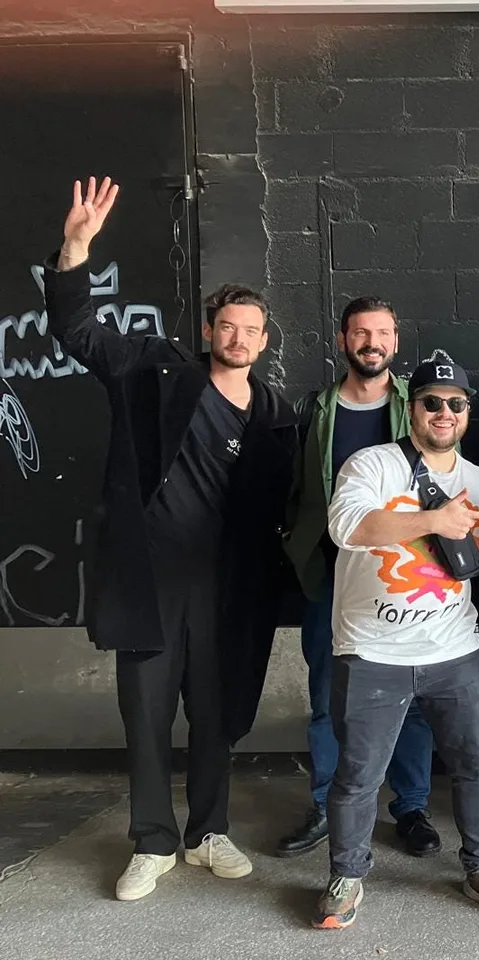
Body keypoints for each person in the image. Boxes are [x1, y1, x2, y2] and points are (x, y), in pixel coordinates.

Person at [43, 177, 297, 901]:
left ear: (264, 341)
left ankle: (209, 831)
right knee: (146, 717)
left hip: (229, 593)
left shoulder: (278, 415)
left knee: (216, 716)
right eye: (228, 326)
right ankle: (153, 841)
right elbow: (78, 333)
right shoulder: (153, 373)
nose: (238, 338)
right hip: (150, 585)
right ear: (210, 331)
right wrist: (76, 248)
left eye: (251, 330)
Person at [314, 353, 479, 929]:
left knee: (477, 766)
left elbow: (470, 563)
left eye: (455, 403)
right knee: (358, 776)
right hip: (371, 651)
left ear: (467, 411)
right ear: (412, 409)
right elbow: (347, 528)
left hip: (454, 650)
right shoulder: (372, 464)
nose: (444, 412)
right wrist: (432, 520)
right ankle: (346, 875)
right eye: (432, 402)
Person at [277, 296, 437, 860]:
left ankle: (411, 807)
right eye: (361, 333)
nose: (372, 343)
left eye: (382, 333)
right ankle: (325, 804)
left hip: (403, 574)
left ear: (396, 341)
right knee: (328, 696)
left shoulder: (421, 404)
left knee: (410, 695)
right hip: (331, 577)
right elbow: (298, 487)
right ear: (344, 340)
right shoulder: (316, 408)